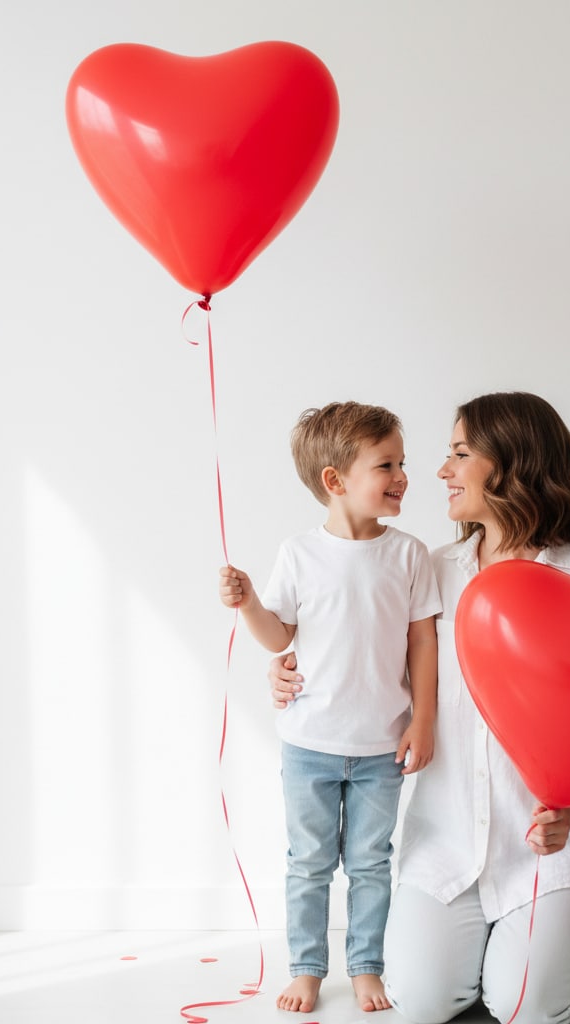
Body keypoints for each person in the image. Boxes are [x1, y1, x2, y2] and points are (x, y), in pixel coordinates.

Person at [269, 392, 570, 1024]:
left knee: (525, 1007)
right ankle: (515, 939)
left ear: (513, 465)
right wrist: (285, 665)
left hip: (555, 846)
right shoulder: (427, 570)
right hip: (448, 848)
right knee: (421, 1002)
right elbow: (353, 641)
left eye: (460, 453)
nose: (439, 472)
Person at [218, 401, 440, 1015]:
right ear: (335, 482)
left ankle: (366, 965)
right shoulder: (298, 553)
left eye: (402, 463)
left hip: (380, 747)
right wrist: (248, 602)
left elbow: (424, 641)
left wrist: (423, 719)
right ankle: (308, 968)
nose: (401, 476)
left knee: (372, 863)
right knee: (309, 863)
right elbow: (277, 635)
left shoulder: (409, 554)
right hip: (309, 745)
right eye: (386, 465)